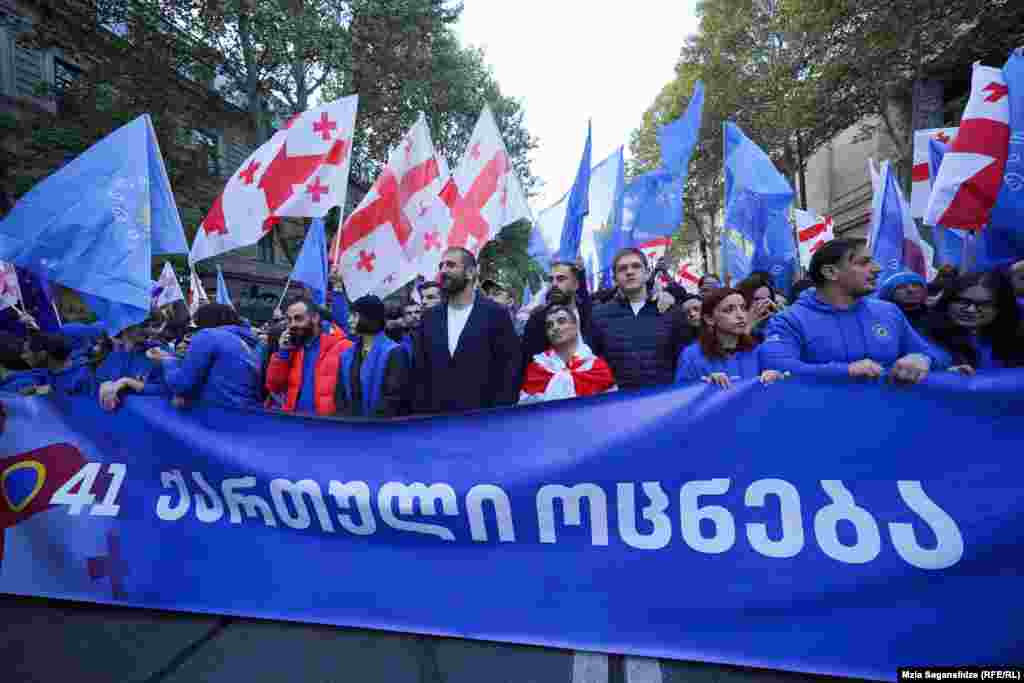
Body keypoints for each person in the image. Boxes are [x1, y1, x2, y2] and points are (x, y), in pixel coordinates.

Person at [761, 238, 950, 383]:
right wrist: (847, 371)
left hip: (889, 425)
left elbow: (939, 356)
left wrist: (923, 359)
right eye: (864, 262)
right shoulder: (789, 321)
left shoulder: (889, 312)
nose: (877, 269)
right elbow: (776, 366)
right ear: (831, 272)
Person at [413, 247, 521, 413]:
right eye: (441, 266)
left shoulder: (496, 314)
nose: (443, 270)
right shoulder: (430, 319)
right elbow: (420, 372)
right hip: (436, 423)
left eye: (450, 265)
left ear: (470, 273)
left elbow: (509, 371)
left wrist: (498, 417)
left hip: (482, 422)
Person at [590, 248, 695, 390]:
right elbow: (590, 364)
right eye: (622, 268)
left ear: (646, 273)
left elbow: (687, 361)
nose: (629, 271)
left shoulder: (672, 311)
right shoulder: (598, 315)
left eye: (636, 266)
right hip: (616, 404)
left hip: (665, 403)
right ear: (615, 279)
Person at [145, 303, 263, 410]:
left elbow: (182, 385)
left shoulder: (208, 335)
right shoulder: (249, 344)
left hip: (218, 415)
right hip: (247, 417)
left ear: (205, 321)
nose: (195, 331)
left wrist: (166, 360)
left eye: (197, 325)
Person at [675, 288, 785, 389]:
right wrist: (703, 386)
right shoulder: (691, 355)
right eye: (729, 310)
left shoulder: (758, 351)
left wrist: (776, 377)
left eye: (743, 308)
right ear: (709, 319)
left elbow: (776, 393)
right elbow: (680, 397)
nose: (740, 315)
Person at [265, 295, 352, 415]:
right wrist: (282, 353)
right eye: (289, 320)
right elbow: (274, 386)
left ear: (315, 318)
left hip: (327, 427)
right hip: (293, 423)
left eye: (298, 318)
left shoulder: (343, 347)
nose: (292, 324)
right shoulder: (291, 348)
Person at [929, 271, 1024, 374]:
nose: (971, 309)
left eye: (983, 304)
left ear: (1000, 308)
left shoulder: (1014, 337)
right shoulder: (925, 334)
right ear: (948, 301)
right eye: (964, 301)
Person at [520, 304, 616, 404]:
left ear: (575, 326)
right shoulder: (537, 369)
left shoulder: (597, 368)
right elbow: (527, 412)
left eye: (561, 321)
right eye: (549, 325)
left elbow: (608, 409)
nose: (555, 328)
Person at [335, 295, 410, 418]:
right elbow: (340, 397)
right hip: (350, 429)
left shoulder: (394, 352)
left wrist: (371, 425)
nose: (349, 320)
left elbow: (393, 398)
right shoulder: (346, 355)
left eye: (354, 315)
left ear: (369, 317)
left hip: (380, 430)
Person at [520, 262, 595, 375]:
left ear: (576, 284)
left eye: (561, 279)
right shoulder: (537, 320)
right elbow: (529, 364)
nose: (554, 284)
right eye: (551, 280)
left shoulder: (591, 313)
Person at [0, 332, 95, 396]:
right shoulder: (50, 368)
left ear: (42, 354)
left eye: (27, 352)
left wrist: (36, 390)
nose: (23, 356)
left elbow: (57, 390)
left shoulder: (75, 382)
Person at [878, 271, 932, 337]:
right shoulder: (881, 320)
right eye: (901, 287)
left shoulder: (937, 318)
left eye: (916, 285)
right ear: (889, 292)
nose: (911, 290)